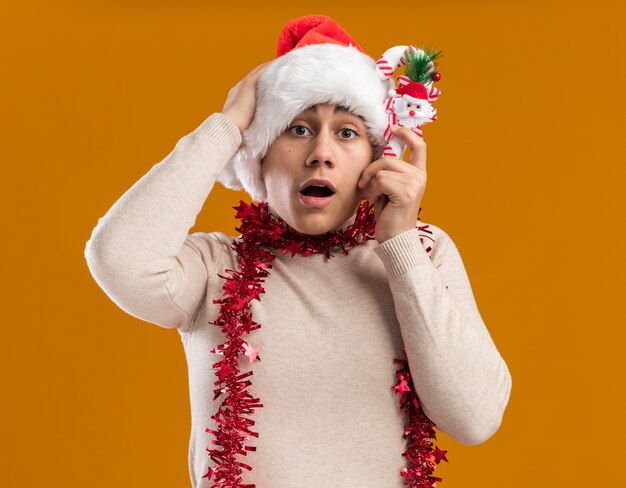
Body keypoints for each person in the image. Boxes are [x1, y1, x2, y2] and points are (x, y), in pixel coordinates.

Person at [84, 15, 512, 488]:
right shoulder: (214, 269)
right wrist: (226, 126)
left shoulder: (423, 253)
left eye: (347, 133)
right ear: (260, 156)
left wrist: (399, 244)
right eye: (298, 129)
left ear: (378, 159)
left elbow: (475, 418)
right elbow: (119, 259)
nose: (321, 153)